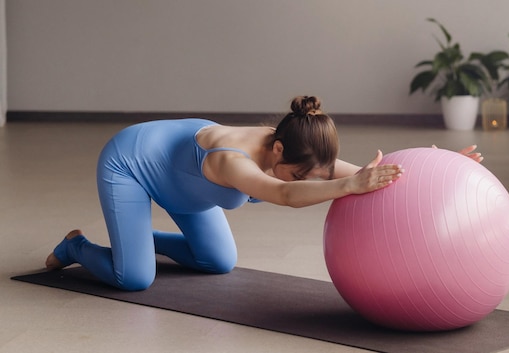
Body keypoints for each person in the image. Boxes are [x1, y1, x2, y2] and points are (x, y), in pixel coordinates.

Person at [45, 96, 481, 291]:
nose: (302, 181)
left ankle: (136, 242)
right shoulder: (230, 161)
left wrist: (434, 167)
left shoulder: (293, 148)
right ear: (276, 151)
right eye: (299, 175)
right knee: (135, 279)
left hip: (184, 189)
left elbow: (371, 171)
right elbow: (285, 196)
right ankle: (77, 246)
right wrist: (346, 187)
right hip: (132, 165)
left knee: (217, 262)